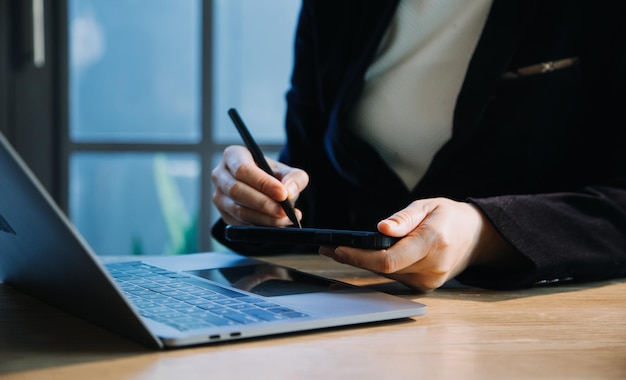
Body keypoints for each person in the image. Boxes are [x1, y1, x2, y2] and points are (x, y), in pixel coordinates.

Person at [211, 0, 626, 292]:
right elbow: (316, 176)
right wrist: (262, 200)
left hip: (546, 321)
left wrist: (485, 233)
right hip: (357, 309)